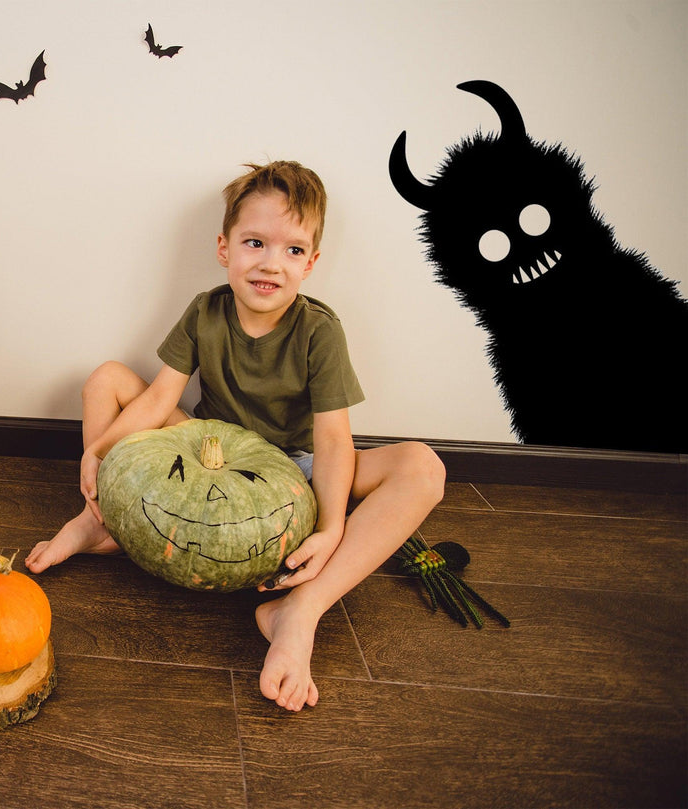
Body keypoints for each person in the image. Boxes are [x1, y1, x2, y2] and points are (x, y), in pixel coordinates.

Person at [25, 160, 446, 711]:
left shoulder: (320, 331)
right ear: (225, 248)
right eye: (255, 243)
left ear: (312, 263)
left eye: (293, 250)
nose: (272, 263)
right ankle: (99, 521)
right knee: (107, 379)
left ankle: (301, 609)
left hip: (296, 470)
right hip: (209, 450)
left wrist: (331, 526)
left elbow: (334, 443)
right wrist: (98, 452)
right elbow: (156, 400)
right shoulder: (206, 311)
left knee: (424, 468)